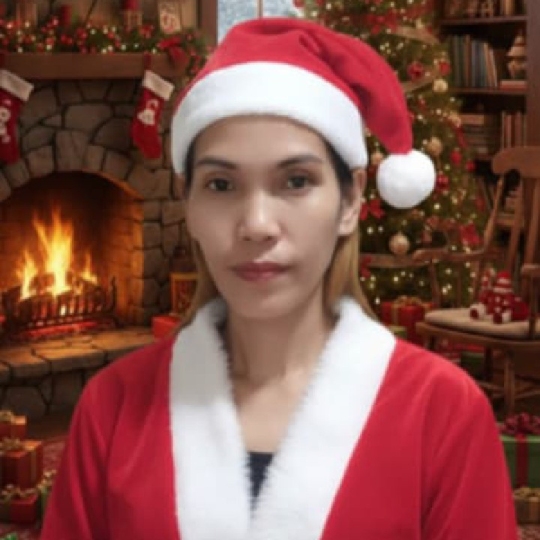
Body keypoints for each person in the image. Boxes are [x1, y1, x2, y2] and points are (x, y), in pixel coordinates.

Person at [41, 17, 517, 540]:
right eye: (221, 185)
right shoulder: (112, 407)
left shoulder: (443, 413)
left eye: (295, 181)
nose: (257, 225)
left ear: (350, 200)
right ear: (188, 205)